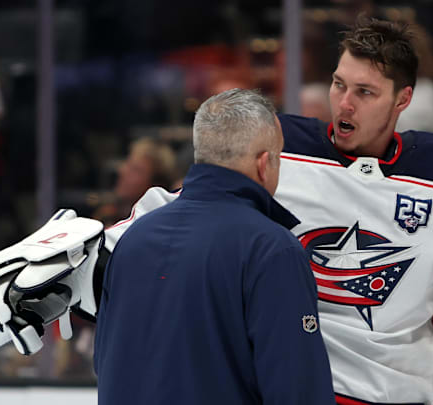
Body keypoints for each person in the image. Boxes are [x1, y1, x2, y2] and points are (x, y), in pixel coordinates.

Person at [0, 17, 433, 405]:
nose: (345, 105)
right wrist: (92, 255)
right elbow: (185, 209)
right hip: (284, 385)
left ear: (403, 99)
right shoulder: (281, 147)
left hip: (390, 392)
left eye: (365, 92)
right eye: (338, 84)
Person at [94, 88, 335, 404]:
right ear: (265, 163)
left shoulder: (132, 239)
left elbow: (107, 364)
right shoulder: (272, 249)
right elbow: (297, 390)